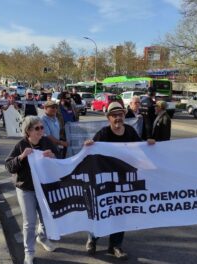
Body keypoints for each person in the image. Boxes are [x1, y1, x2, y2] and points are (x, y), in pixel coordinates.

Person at [84, 102, 156, 260]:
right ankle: (92, 239)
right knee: (101, 210)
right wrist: (88, 145)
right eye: (114, 115)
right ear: (108, 118)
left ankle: (115, 246)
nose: (118, 118)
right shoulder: (103, 133)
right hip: (105, 180)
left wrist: (148, 144)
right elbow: (91, 152)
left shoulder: (130, 131)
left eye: (120, 115)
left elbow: (139, 147)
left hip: (124, 180)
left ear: (124, 116)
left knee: (119, 212)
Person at [5, 116, 59, 264]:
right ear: (28, 130)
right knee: (29, 222)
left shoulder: (47, 142)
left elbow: (58, 160)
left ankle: (42, 237)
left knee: (45, 217)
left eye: (42, 127)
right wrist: (22, 157)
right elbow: (9, 165)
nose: (41, 131)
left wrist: (53, 156)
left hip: (44, 187)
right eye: (37, 128)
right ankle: (29, 251)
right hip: (26, 189)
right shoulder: (21, 145)